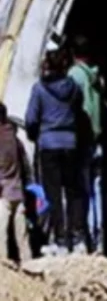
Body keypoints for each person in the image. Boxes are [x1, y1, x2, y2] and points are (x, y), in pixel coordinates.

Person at [25, 50, 87, 255]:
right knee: (74, 192)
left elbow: (31, 119)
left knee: (53, 194)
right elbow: (79, 114)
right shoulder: (75, 89)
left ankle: (60, 239)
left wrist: (36, 135)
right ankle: (78, 238)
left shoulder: (39, 89)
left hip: (48, 144)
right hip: (71, 143)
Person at [65, 35, 105, 253]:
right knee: (96, 190)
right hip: (96, 141)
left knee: (79, 191)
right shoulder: (96, 77)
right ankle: (98, 239)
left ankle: (83, 239)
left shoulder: (74, 76)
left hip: (80, 140)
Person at [0, 103, 32, 263]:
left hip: (3, 193)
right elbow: (26, 165)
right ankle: (29, 263)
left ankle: (3, 267)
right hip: (18, 191)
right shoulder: (14, 137)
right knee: (22, 235)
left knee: (1, 235)